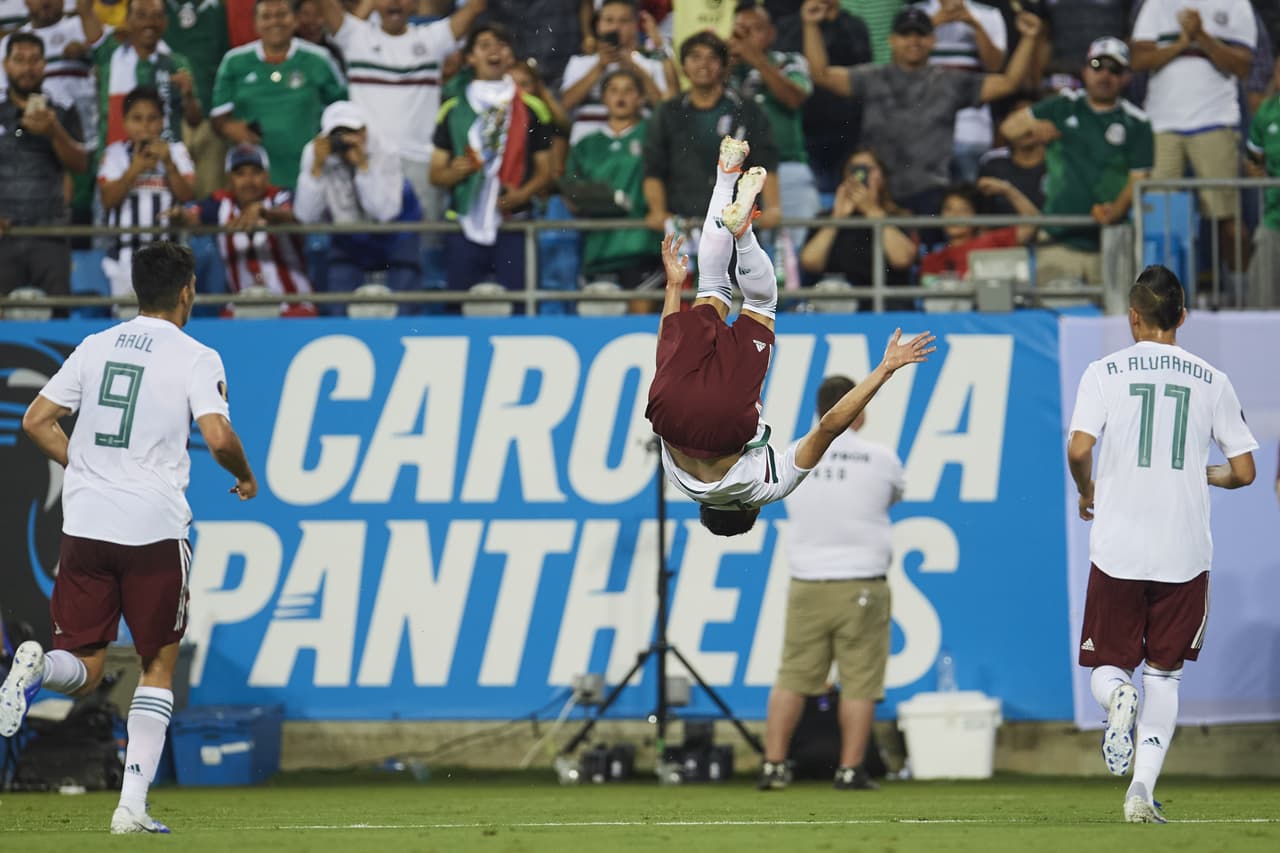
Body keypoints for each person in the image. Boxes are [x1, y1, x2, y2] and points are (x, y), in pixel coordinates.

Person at [1, 241, 257, 834]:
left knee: (85, 667)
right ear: (187, 291)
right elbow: (218, 438)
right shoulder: (197, 356)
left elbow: (35, 420)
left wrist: (88, 469)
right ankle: (130, 808)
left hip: (85, 524)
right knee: (157, 663)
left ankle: (37, 669)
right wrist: (245, 476)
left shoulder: (96, 345)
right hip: (153, 528)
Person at [645, 136, 934, 536]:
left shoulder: (765, 490)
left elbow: (830, 425)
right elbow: (666, 355)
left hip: (723, 420)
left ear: (751, 509)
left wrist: (885, 369)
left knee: (761, 303)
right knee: (711, 287)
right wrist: (674, 288)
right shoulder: (677, 481)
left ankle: (744, 235)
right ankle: (725, 174)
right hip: (667, 410)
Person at [1066, 264, 1257, 823]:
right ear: (1182, 317)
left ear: (1133, 317)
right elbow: (1244, 471)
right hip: (1184, 551)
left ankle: (1116, 698)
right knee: (1165, 675)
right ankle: (1140, 793)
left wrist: (1085, 490)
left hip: (1119, 546)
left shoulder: (1103, 371)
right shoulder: (1212, 379)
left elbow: (1079, 448)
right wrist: (1204, 474)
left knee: (1108, 667)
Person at [758, 374, 905, 792]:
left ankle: (773, 766)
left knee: (792, 677)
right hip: (862, 583)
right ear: (857, 408)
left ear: (819, 409)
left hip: (807, 581)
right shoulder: (880, 458)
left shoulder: (792, 452)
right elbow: (892, 497)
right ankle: (850, 770)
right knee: (860, 682)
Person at [802, 1, 1043, 213]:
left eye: (920, 34)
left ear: (932, 40)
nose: (913, 41)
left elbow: (1009, 82)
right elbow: (821, 75)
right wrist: (811, 25)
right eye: (905, 34)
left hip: (930, 192)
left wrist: (1029, 38)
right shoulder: (871, 77)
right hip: (879, 192)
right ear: (892, 40)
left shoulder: (950, 82)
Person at [1000, 37, 1153, 285]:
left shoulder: (1137, 123)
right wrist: (1037, 130)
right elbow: (1009, 128)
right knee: (1053, 309)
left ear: (1126, 77)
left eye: (1115, 69)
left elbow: (1139, 178)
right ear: (1085, 71)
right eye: (1097, 66)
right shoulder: (1063, 105)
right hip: (1057, 239)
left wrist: (1116, 211)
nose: (1105, 75)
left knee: (1115, 311)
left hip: (1110, 241)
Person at [1131, 0, 1255, 300]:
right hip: (1162, 124)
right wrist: (1182, 43)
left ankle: (1243, 299)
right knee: (1159, 220)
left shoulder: (1236, 4)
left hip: (1215, 121)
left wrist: (1201, 36)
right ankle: (1159, 302)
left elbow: (1243, 66)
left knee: (1228, 221)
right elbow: (1138, 59)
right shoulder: (1157, 4)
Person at [429, 22, 555, 300]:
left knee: (521, 305)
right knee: (458, 305)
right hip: (463, 222)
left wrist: (521, 194)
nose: (494, 51)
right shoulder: (452, 108)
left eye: (501, 45)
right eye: (484, 45)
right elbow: (435, 173)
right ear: (470, 58)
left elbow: (547, 170)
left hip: (515, 223)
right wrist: (454, 172)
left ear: (511, 56)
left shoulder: (533, 108)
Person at [642, 31, 781, 239]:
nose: (703, 64)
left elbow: (766, 162)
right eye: (695, 57)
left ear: (724, 66)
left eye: (712, 57)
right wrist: (657, 211)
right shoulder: (667, 112)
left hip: (736, 225)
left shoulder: (748, 110)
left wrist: (773, 208)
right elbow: (653, 167)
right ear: (683, 66)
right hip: (682, 225)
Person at [295, 99, 422, 312]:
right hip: (348, 236)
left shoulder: (385, 151)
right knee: (338, 302)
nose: (344, 140)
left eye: (351, 132)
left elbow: (384, 213)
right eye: (338, 134)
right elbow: (306, 216)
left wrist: (363, 167)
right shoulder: (315, 154)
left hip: (396, 232)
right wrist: (316, 170)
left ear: (364, 131)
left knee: (404, 304)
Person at [211, 0, 348, 189]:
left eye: (282, 15)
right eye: (266, 16)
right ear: (255, 23)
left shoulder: (319, 59)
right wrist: (229, 127)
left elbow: (343, 110)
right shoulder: (234, 62)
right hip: (255, 181)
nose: (274, 22)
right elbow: (218, 119)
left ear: (295, 20)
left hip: (312, 173)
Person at [171, 142, 316, 315]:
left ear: (266, 175)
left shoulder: (280, 196)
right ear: (229, 178)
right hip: (241, 308)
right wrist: (179, 215)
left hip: (293, 305)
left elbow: (295, 215)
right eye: (240, 174)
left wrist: (264, 212)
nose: (249, 181)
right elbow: (191, 217)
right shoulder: (219, 204)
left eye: (256, 172)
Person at [0, 32, 88, 301]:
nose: (27, 68)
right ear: (6, 65)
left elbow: (81, 164)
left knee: (58, 314)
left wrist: (54, 131)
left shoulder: (62, 110)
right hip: (4, 234)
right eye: (19, 60)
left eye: (34, 60)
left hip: (51, 233)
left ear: (44, 64)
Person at [563, 67, 658, 310]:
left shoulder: (653, 136)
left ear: (641, 98)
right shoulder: (586, 145)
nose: (621, 96)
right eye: (613, 90)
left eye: (629, 90)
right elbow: (570, 194)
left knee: (641, 325)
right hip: (598, 249)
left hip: (642, 245)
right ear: (603, 98)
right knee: (600, 326)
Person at [729, 3, 817, 267]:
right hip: (736, 173)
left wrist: (756, 59)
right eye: (741, 30)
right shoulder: (724, 67)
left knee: (793, 256)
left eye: (755, 29)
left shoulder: (790, 61)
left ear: (771, 33)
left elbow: (794, 97)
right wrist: (728, 61)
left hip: (787, 166)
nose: (748, 37)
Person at [97, 85, 196, 300]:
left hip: (170, 258)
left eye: (152, 118)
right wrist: (135, 169)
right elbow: (108, 200)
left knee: (167, 317)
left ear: (162, 121)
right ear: (125, 122)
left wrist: (168, 164)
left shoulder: (177, 151)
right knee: (127, 315)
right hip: (125, 259)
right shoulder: (114, 154)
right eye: (137, 118)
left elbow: (187, 194)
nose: (145, 125)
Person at [799, 148, 917, 311]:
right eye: (854, 169)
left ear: (882, 177)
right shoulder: (825, 218)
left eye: (869, 169)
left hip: (888, 306)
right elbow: (810, 262)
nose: (861, 175)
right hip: (836, 306)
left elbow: (902, 259)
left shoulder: (899, 216)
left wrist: (873, 212)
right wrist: (836, 220)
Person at [914, 0, 1008, 183]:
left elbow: (995, 66)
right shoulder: (915, 13)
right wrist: (933, 23)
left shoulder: (989, 15)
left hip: (972, 131)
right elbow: (902, 64)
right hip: (924, 131)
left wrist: (974, 24)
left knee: (968, 197)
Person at [559, 0, 670, 145]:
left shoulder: (651, 63)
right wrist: (600, 66)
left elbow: (662, 108)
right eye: (609, 20)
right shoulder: (580, 62)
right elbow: (564, 105)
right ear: (598, 24)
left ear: (635, 25)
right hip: (586, 148)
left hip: (637, 147)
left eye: (624, 21)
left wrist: (631, 66)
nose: (615, 27)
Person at [918, 178, 1038, 279]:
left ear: (976, 215)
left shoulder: (992, 242)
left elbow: (1031, 223)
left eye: (964, 210)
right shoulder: (931, 260)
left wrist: (1006, 190)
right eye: (948, 209)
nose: (954, 215)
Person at [1244, 54, 1280, 309]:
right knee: (1262, 303)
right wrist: (1255, 170)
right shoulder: (1266, 112)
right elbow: (1252, 158)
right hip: (1274, 220)